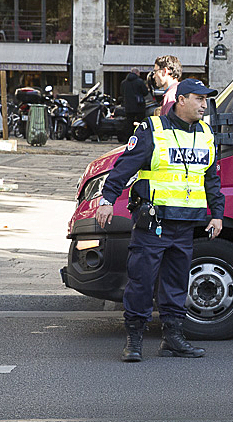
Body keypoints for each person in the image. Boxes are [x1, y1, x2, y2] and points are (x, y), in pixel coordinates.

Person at [95, 79, 224, 363]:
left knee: (176, 283)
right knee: (141, 282)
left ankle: (173, 338)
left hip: (186, 222)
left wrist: (217, 214)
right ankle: (135, 339)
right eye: (199, 99)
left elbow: (211, 178)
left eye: (206, 99)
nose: (204, 105)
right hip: (153, 222)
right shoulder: (152, 131)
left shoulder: (205, 133)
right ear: (181, 100)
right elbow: (123, 168)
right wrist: (106, 201)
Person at [120, 67, 150, 138]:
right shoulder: (139, 81)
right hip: (139, 106)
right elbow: (145, 92)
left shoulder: (124, 83)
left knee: (129, 123)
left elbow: (121, 93)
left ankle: (128, 139)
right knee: (140, 122)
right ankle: (139, 137)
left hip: (128, 106)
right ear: (137, 73)